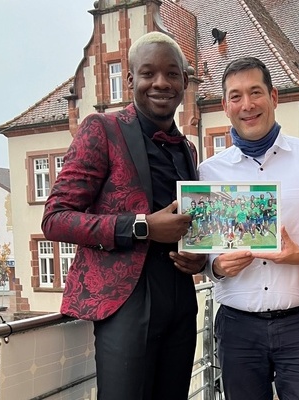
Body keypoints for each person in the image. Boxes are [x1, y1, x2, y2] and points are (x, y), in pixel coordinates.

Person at [41, 31, 207, 400]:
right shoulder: (102, 129)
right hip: (125, 304)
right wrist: (142, 226)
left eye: (172, 74)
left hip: (180, 300)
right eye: (148, 73)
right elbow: (55, 218)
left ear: (184, 81)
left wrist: (198, 257)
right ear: (131, 80)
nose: (161, 83)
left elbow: (185, 226)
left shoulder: (187, 149)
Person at [173, 57, 299, 400]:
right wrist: (216, 267)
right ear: (225, 107)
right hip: (238, 328)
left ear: (273, 97)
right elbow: (202, 250)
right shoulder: (208, 173)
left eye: (255, 92)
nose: (247, 105)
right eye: (236, 96)